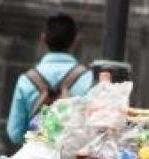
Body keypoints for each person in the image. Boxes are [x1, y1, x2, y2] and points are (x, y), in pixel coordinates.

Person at [6, 12, 93, 146]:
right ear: (75, 41)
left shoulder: (26, 80)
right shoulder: (88, 79)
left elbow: (15, 133)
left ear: (43, 39)